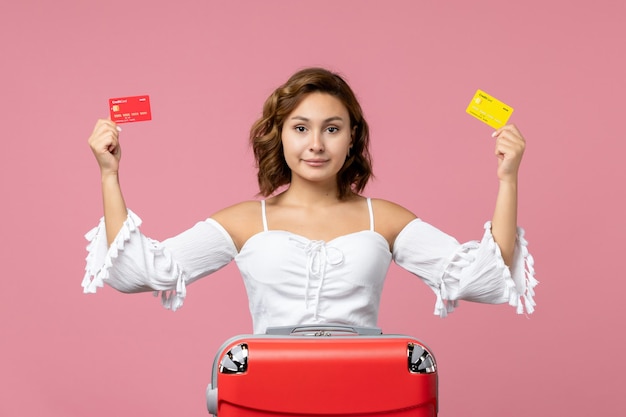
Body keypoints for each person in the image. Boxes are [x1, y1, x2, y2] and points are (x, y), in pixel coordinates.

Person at [83, 67, 536, 334]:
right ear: (279, 135)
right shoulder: (243, 221)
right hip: (266, 393)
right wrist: (109, 175)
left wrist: (508, 179)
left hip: (367, 393)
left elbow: (484, 279)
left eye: (332, 128)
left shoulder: (386, 218)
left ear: (352, 137)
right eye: (301, 128)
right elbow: (140, 272)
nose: (316, 144)